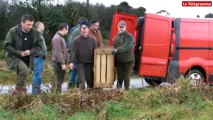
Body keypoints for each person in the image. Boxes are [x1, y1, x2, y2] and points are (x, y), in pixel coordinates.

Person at [4, 14, 42, 94]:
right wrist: (19, 53)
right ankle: (18, 91)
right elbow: (6, 46)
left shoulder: (35, 33)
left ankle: (21, 95)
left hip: (28, 58)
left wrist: (30, 51)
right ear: (22, 23)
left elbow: (38, 47)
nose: (30, 27)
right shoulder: (13, 31)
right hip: (13, 56)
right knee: (25, 70)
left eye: (32, 24)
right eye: (28, 24)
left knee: (24, 74)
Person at [69, 21, 97, 89]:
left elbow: (96, 52)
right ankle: (82, 96)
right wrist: (71, 62)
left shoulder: (93, 40)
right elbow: (73, 52)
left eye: (85, 32)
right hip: (80, 63)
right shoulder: (76, 40)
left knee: (90, 80)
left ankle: (90, 93)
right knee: (82, 80)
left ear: (88, 30)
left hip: (90, 63)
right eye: (82, 32)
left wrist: (96, 63)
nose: (84, 33)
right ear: (80, 31)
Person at [112, 21, 134, 90]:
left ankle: (127, 90)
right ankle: (118, 91)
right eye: (120, 27)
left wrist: (117, 50)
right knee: (120, 77)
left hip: (128, 61)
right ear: (118, 27)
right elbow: (114, 48)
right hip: (119, 61)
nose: (121, 28)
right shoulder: (116, 38)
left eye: (122, 27)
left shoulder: (129, 36)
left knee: (126, 77)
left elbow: (127, 46)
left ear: (125, 27)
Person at [67, 17, 88, 89]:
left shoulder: (73, 29)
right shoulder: (79, 31)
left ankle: (71, 88)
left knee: (73, 71)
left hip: (72, 52)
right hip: (76, 54)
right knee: (77, 72)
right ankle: (74, 87)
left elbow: (69, 42)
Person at [51, 22, 69, 93]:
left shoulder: (60, 37)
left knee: (60, 80)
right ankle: (56, 95)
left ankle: (57, 94)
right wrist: (62, 63)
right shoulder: (57, 38)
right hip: (58, 63)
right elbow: (58, 52)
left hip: (60, 63)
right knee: (58, 80)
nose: (68, 31)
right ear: (64, 29)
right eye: (67, 29)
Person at [32, 21, 47, 94]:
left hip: (39, 57)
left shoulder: (38, 34)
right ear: (39, 27)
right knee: (37, 75)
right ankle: (35, 93)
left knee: (38, 74)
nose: (44, 27)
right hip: (37, 57)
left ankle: (36, 91)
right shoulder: (36, 35)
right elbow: (33, 46)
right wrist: (39, 52)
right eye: (43, 26)